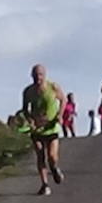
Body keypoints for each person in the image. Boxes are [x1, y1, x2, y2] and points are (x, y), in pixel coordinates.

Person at [21, 64, 66, 196]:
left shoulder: (53, 87)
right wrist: (30, 119)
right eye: (35, 75)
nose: (37, 78)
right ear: (31, 76)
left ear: (44, 75)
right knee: (40, 155)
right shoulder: (28, 91)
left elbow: (63, 100)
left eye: (40, 75)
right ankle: (44, 184)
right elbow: (24, 109)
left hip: (51, 127)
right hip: (37, 129)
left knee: (52, 156)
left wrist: (60, 115)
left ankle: (54, 168)